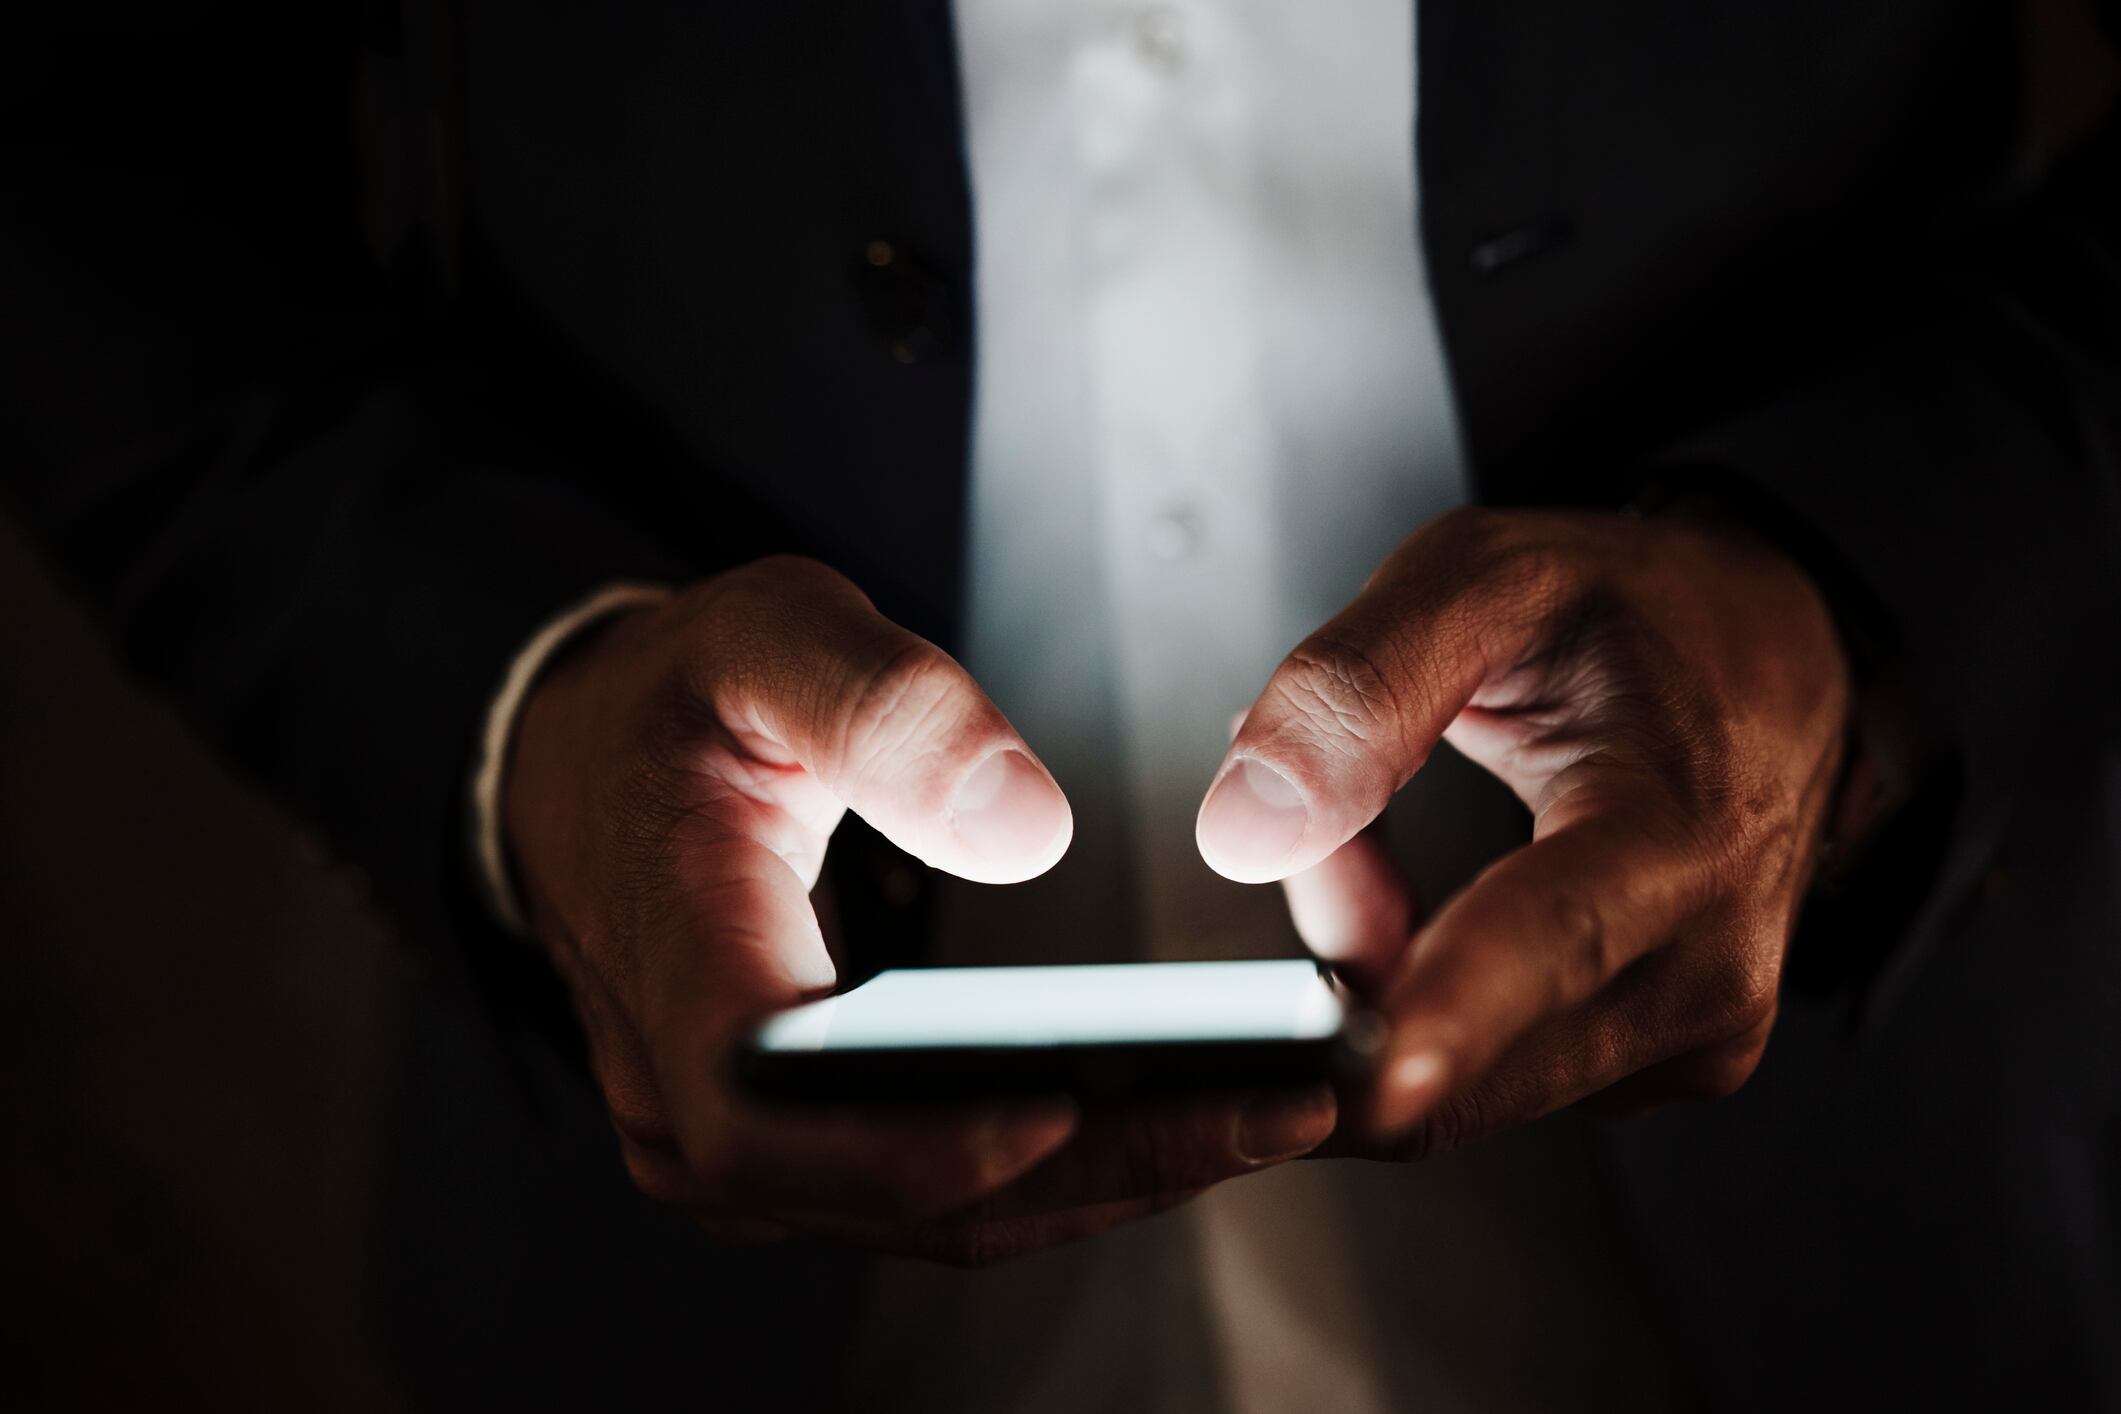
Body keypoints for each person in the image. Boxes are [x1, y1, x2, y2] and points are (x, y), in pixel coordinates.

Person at [5, 0, 2118, 1408]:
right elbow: (85, 168)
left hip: (1834, 1229)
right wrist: (520, 701)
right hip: (702, 1317)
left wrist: (1847, 604)